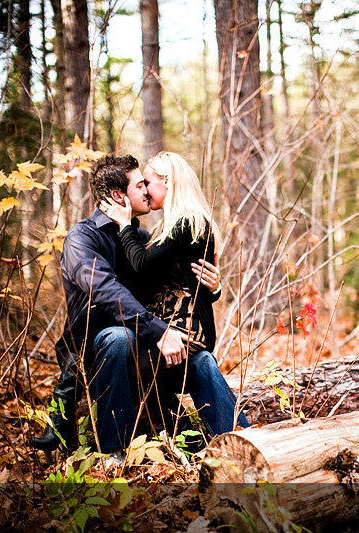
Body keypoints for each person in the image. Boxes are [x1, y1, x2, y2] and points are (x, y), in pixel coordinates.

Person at [30, 154, 243, 454]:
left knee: (201, 359)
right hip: (97, 351)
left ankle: (244, 439)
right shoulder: (82, 238)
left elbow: (174, 281)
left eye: (147, 183)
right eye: (140, 184)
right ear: (119, 195)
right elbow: (106, 291)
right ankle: (114, 451)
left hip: (143, 347)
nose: (146, 190)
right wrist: (159, 332)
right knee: (120, 336)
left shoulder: (140, 237)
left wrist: (213, 286)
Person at [99, 151, 249, 440]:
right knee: (199, 365)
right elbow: (179, 280)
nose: (143, 189)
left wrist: (125, 225)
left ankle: (153, 443)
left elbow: (141, 264)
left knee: (134, 375)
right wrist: (214, 288)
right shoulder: (171, 227)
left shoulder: (188, 222)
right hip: (176, 330)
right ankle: (213, 440)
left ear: (166, 181)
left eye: (147, 182)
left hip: (186, 331)